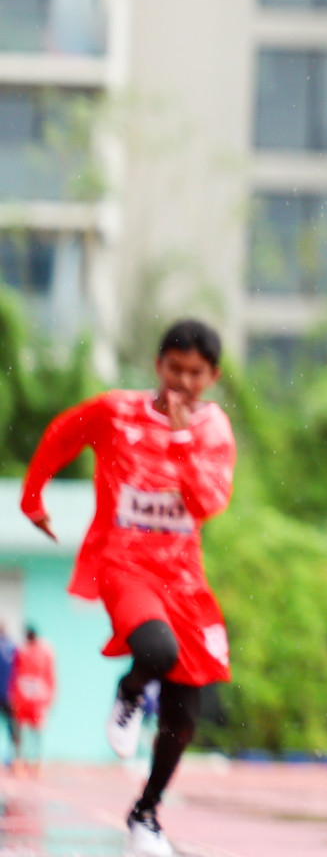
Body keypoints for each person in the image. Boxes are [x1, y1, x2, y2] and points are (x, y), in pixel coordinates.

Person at [20, 319, 235, 857]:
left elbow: (209, 503)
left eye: (196, 373)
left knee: (187, 710)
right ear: (159, 365)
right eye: (174, 369)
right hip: (125, 564)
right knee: (157, 650)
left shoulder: (213, 432)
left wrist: (183, 441)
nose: (183, 382)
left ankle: (146, 815)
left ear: (212, 376)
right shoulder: (117, 411)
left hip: (185, 579)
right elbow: (62, 434)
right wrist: (32, 496)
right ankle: (131, 691)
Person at [9, 627, 53, 776]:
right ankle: (22, 763)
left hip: (37, 701)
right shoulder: (22, 652)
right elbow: (16, 675)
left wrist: (49, 698)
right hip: (24, 700)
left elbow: (49, 676)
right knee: (23, 732)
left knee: (36, 733)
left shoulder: (44, 652)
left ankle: (36, 764)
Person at [0, 623, 19, 771]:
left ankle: (12, 759)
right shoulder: (14, 648)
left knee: (11, 727)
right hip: (9, 695)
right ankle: (13, 759)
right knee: (12, 728)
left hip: (5, 694)